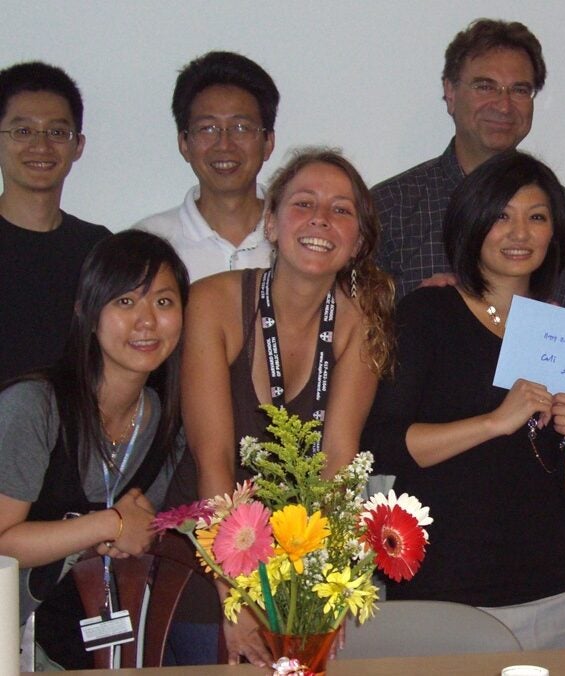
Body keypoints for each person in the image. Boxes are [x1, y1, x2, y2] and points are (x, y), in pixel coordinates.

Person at [364, 150, 565, 649]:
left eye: (536, 217)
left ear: (555, 232)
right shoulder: (428, 311)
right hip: (446, 587)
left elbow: (558, 475)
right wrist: (493, 422)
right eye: (501, 216)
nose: (520, 233)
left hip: (549, 584)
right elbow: (382, 442)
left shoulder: (560, 329)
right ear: (471, 223)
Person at [181, 148, 394, 665]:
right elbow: (213, 461)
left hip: (300, 567)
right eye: (303, 203)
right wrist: (235, 599)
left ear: (358, 241)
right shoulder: (213, 302)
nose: (321, 218)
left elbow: (340, 458)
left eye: (341, 210)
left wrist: (334, 580)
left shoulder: (359, 321)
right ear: (271, 224)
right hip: (206, 563)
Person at [0, 230, 187, 669]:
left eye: (163, 302)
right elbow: (2, 543)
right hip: (12, 642)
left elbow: (140, 531)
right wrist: (108, 523)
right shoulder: (33, 408)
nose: (146, 321)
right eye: (124, 301)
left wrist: (129, 531)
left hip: (92, 643)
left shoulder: (164, 423)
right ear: (86, 311)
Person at [371, 18, 565, 305]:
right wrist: (419, 315)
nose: (503, 105)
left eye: (520, 90)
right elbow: (355, 329)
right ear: (450, 92)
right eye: (485, 87)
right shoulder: (390, 210)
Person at [0, 61, 110, 383]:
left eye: (57, 132)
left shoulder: (99, 249)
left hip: (75, 430)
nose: (41, 146)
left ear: (78, 145)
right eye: (23, 131)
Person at [134, 51, 278, 281]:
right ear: (183, 143)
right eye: (207, 128)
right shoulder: (145, 245)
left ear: (268, 142)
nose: (224, 145)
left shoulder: (299, 237)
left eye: (241, 127)